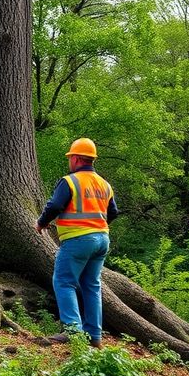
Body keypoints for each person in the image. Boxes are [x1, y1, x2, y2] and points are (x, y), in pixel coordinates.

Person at [35, 138, 118, 348]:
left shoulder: (70, 181)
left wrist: (41, 223)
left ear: (78, 158)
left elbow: (54, 205)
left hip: (77, 239)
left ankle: (72, 330)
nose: (69, 160)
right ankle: (95, 336)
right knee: (91, 285)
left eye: (71, 157)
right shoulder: (104, 184)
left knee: (64, 282)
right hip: (102, 239)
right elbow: (113, 212)